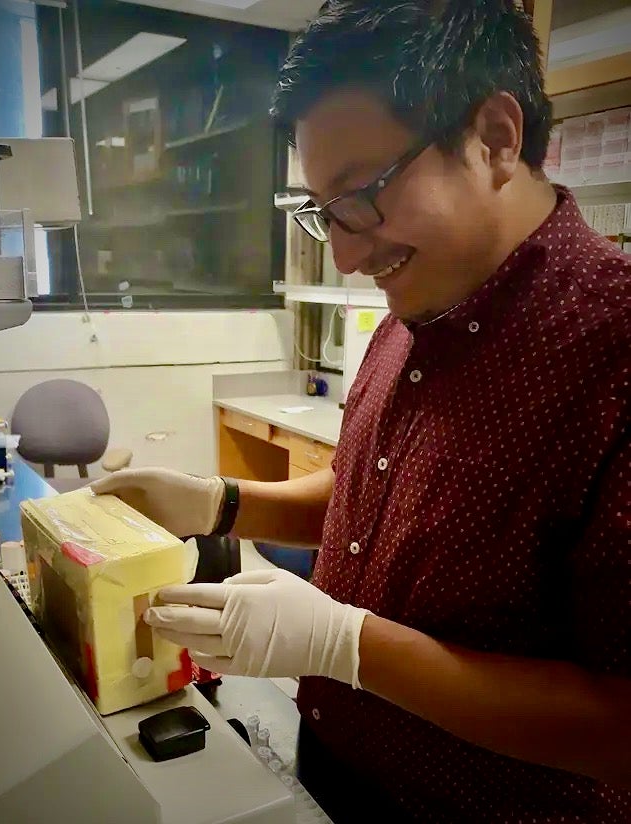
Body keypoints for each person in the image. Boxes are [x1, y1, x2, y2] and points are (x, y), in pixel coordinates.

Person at [91, 1, 631, 820]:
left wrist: (344, 644)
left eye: (362, 194)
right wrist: (221, 503)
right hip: (334, 765)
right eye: (323, 210)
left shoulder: (612, 353)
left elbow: (618, 725)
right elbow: (362, 499)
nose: (343, 253)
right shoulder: (411, 316)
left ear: (493, 137)